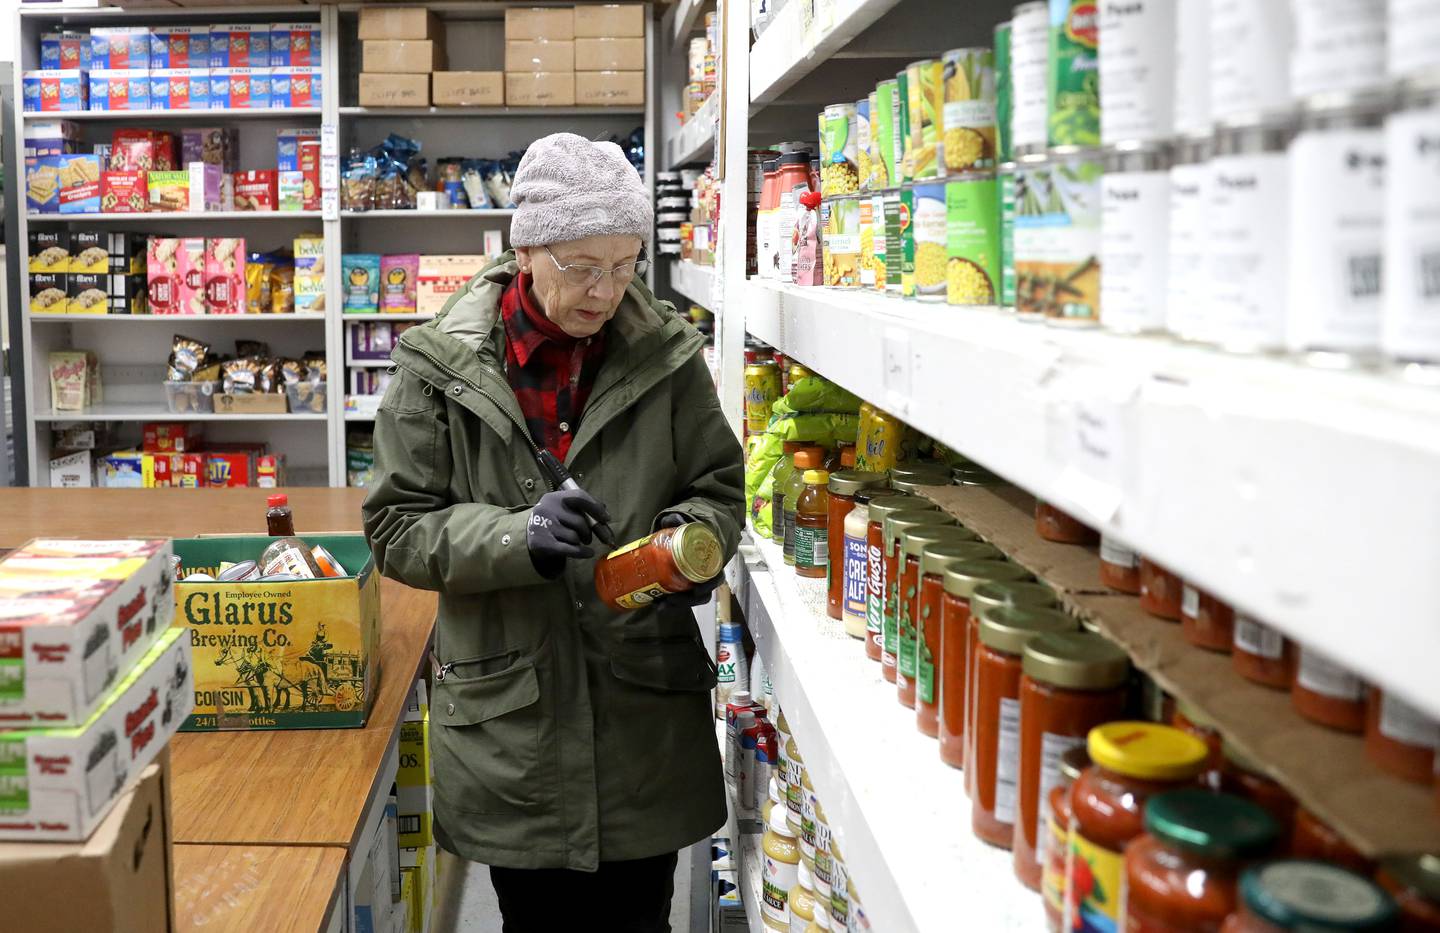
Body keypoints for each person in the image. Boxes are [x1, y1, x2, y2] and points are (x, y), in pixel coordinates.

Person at [362, 132, 745, 932]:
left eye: (624, 264)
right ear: (526, 247)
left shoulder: (667, 358)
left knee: (642, 918)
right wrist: (515, 536)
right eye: (581, 266)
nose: (605, 291)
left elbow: (716, 485)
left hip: (642, 717)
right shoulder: (440, 367)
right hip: (515, 734)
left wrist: (684, 543)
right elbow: (396, 528)